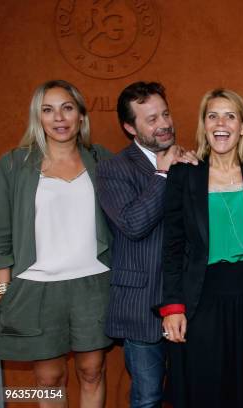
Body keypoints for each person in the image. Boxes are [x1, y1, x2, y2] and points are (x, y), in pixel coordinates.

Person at [0, 80, 112, 408]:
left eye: (67, 108)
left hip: (93, 286)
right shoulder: (13, 165)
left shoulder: (100, 159)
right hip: (36, 289)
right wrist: (3, 295)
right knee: (48, 379)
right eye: (48, 110)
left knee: (92, 371)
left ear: (80, 115)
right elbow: (0, 236)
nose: (58, 118)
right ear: (38, 117)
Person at [160, 88, 243, 407]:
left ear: (242, 127)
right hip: (199, 303)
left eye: (229, 116)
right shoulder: (184, 174)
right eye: (212, 116)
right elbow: (172, 246)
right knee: (202, 391)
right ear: (203, 125)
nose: (220, 123)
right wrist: (172, 307)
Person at [96, 82, 197, 408]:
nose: (164, 124)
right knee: (148, 397)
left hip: (186, 302)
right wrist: (163, 173)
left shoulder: (190, 160)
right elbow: (134, 224)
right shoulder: (114, 168)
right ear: (130, 127)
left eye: (165, 114)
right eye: (151, 119)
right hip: (140, 306)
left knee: (188, 392)